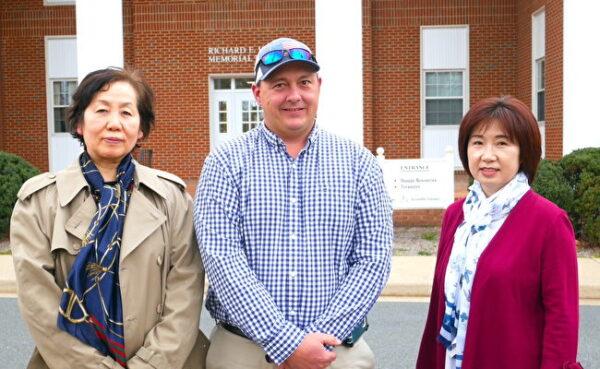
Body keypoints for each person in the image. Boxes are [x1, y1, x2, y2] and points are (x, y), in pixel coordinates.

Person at [194, 37, 393, 369]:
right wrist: (286, 343)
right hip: (245, 351)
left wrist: (318, 341)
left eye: (304, 82)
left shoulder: (359, 163)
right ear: (258, 92)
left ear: (319, 86)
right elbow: (222, 258)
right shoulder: (225, 163)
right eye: (279, 84)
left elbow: (373, 259)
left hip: (336, 351)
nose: (294, 95)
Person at [10, 67, 206, 369]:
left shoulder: (173, 199)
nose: (114, 124)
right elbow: (40, 306)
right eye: (101, 110)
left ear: (140, 129)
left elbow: (186, 289)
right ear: (79, 123)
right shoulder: (38, 202)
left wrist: (151, 364)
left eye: (127, 113)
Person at [416, 96, 582, 369]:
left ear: (523, 152)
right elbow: (439, 306)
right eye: (478, 142)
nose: (487, 155)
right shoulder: (456, 216)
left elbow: (561, 321)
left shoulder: (549, 222)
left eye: (502, 143)